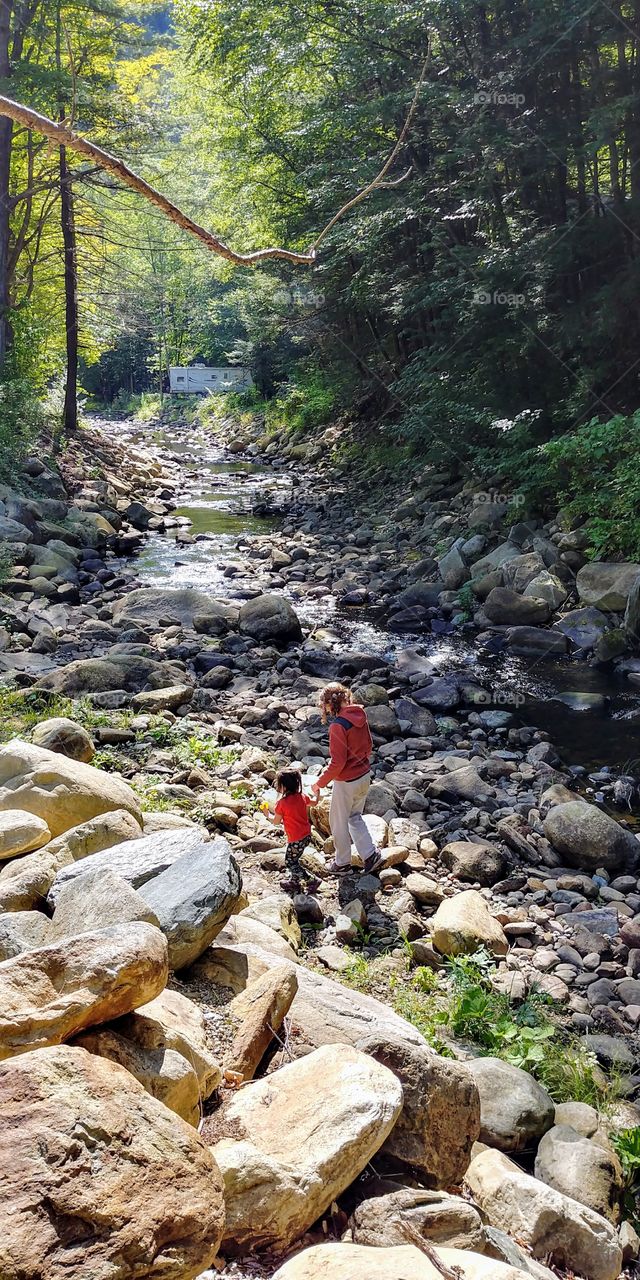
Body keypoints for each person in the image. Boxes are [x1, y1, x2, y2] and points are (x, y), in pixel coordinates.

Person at [311, 682, 382, 877]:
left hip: (347, 782)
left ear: (329, 704)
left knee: (338, 823)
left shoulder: (338, 726)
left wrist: (319, 783)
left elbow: (338, 763)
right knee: (354, 817)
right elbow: (368, 746)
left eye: (323, 706)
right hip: (364, 775)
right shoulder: (361, 716)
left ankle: (342, 863)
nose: (323, 710)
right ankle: (370, 855)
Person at [266, 768, 315, 890]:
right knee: (295, 859)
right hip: (306, 835)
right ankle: (294, 882)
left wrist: (267, 814)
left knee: (290, 862)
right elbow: (314, 802)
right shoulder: (302, 796)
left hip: (295, 840)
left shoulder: (282, 803)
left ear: (284, 786)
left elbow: (276, 822)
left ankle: (312, 880)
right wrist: (317, 792)